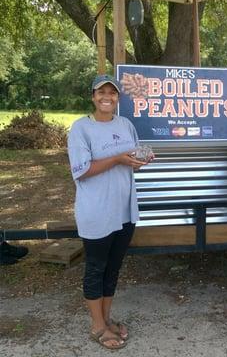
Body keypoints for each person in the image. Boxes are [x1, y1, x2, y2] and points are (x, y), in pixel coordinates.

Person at [67, 74, 153, 350]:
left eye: (112, 93)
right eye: (101, 92)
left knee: (112, 269)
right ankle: (97, 327)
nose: (107, 97)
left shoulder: (126, 124)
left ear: (118, 98)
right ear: (93, 97)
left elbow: (133, 161)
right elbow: (81, 171)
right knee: (96, 268)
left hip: (124, 209)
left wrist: (141, 160)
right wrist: (117, 158)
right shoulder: (80, 129)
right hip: (96, 211)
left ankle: (106, 319)